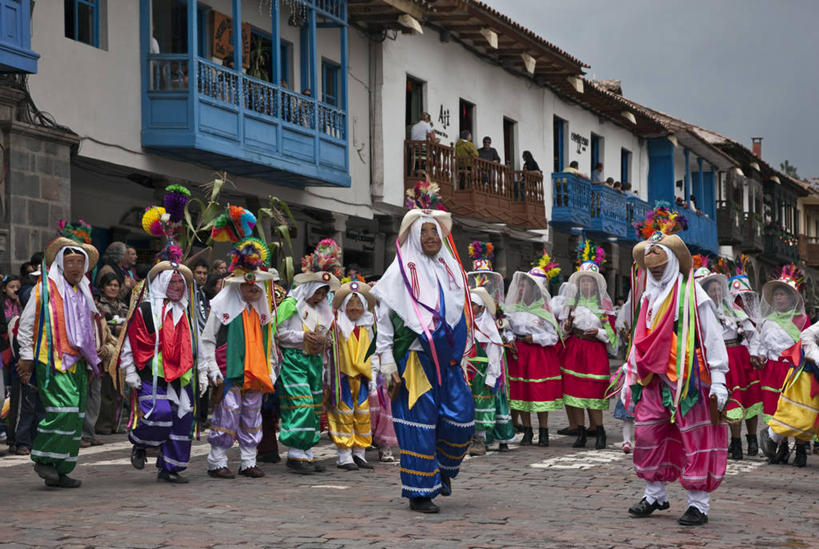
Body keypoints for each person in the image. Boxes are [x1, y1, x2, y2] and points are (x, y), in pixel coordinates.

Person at [371, 182, 474, 514]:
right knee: (419, 423)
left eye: (435, 231)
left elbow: (462, 313)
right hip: (414, 360)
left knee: (461, 421)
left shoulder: (452, 269)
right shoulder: (398, 273)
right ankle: (420, 490)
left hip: (449, 361)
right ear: (414, 236)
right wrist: (387, 364)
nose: (431, 236)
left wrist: (465, 352)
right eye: (425, 231)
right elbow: (384, 320)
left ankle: (441, 470)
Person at [625, 210, 729, 526]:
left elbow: (712, 336)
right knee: (647, 433)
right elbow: (638, 339)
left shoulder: (692, 294)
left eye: (660, 268)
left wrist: (720, 379)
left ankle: (699, 503)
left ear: (673, 263)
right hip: (652, 378)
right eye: (650, 269)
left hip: (689, 378)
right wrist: (630, 375)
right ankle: (654, 494)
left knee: (695, 437)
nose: (655, 274)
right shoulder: (646, 298)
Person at [17, 234, 102, 488]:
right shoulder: (43, 289)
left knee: (75, 416)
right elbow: (27, 324)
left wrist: (90, 362)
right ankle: (43, 458)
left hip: (76, 362)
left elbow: (87, 331)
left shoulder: (83, 293)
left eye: (80, 262)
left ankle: (61, 468)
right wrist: (26, 357)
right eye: (70, 262)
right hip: (51, 360)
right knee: (62, 410)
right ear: (60, 265)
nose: (75, 267)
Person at [202, 209, 278, 479]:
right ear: (238, 286)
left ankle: (248, 461)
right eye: (248, 287)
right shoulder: (222, 307)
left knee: (251, 417)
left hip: (255, 374)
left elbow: (269, 345)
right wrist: (211, 367)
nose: (253, 290)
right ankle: (217, 462)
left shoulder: (262, 312)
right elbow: (207, 339)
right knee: (227, 416)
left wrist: (270, 368)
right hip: (230, 371)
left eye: (257, 287)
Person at [121, 258, 198, 483]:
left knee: (182, 421)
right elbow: (130, 342)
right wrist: (130, 372)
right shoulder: (146, 309)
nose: (177, 287)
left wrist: (201, 371)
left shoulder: (185, 312)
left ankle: (169, 468)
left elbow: (196, 344)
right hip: (152, 375)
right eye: (172, 282)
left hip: (181, 377)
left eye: (180, 283)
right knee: (159, 414)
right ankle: (140, 442)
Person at [278, 239, 341, 474]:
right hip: (294, 361)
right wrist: (303, 337)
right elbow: (278, 333)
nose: (320, 296)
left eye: (324, 292)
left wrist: (324, 342)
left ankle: (306, 451)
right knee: (301, 404)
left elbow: (329, 336)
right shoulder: (291, 305)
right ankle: (295, 453)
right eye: (318, 291)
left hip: (315, 362)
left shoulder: (323, 310)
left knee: (314, 406)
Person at [696, 266, 763, 461]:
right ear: (706, 292)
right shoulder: (702, 310)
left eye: (718, 289)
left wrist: (754, 353)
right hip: (719, 357)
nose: (716, 293)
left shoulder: (734, 308)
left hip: (738, 356)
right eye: (712, 290)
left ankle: (751, 440)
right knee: (729, 401)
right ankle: (735, 443)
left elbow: (752, 333)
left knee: (747, 399)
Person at [558, 241, 615, 450]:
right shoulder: (571, 304)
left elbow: (613, 335)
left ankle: (600, 431)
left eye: (590, 283)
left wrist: (599, 332)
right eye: (583, 283)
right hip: (575, 349)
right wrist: (566, 326)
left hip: (594, 351)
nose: (586, 286)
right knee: (575, 392)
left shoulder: (604, 306)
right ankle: (580, 432)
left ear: (596, 284)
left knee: (593, 393)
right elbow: (563, 332)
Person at [504, 254, 563, 447]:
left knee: (538, 392)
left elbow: (554, 337)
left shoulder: (545, 310)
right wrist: (511, 339)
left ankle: (543, 430)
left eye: (526, 285)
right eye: (520, 285)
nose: (521, 288)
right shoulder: (513, 308)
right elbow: (507, 329)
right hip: (519, 353)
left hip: (538, 354)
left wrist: (535, 338)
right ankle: (527, 430)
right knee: (521, 392)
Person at [755, 265, 810, 465]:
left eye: (783, 295)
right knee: (776, 409)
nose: (779, 298)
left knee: (796, 409)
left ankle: (802, 450)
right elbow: (762, 345)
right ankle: (782, 448)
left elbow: (809, 345)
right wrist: (760, 356)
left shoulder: (802, 321)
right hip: (772, 370)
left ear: (792, 299)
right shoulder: (768, 322)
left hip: (794, 371)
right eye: (776, 295)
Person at [466, 242, 515, 453]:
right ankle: (477, 437)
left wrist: (492, 374)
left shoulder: (494, 313)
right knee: (475, 401)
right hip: (472, 366)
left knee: (494, 397)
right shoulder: (468, 317)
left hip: (490, 365)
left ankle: (496, 436)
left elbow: (498, 341)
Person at [327, 281, 377, 470]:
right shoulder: (337, 326)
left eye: (358, 304)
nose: (354, 308)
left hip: (362, 378)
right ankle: (344, 455)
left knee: (363, 415)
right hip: (343, 377)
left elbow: (373, 351)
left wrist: (374, 374)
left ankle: (360, 452)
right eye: (350, 304)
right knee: (344, 414)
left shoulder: (368, 326)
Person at [94, 272, 128, 436]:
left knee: (120, 390)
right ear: (103, 287)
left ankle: (118, 422)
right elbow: (100, 325)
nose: (113, 288)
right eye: (110, 285)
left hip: (123, 350)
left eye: (116, 285)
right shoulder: (99, 305)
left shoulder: (123, 306)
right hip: (107, 351)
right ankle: (104, 425)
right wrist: (115, 329)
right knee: (106, 389)